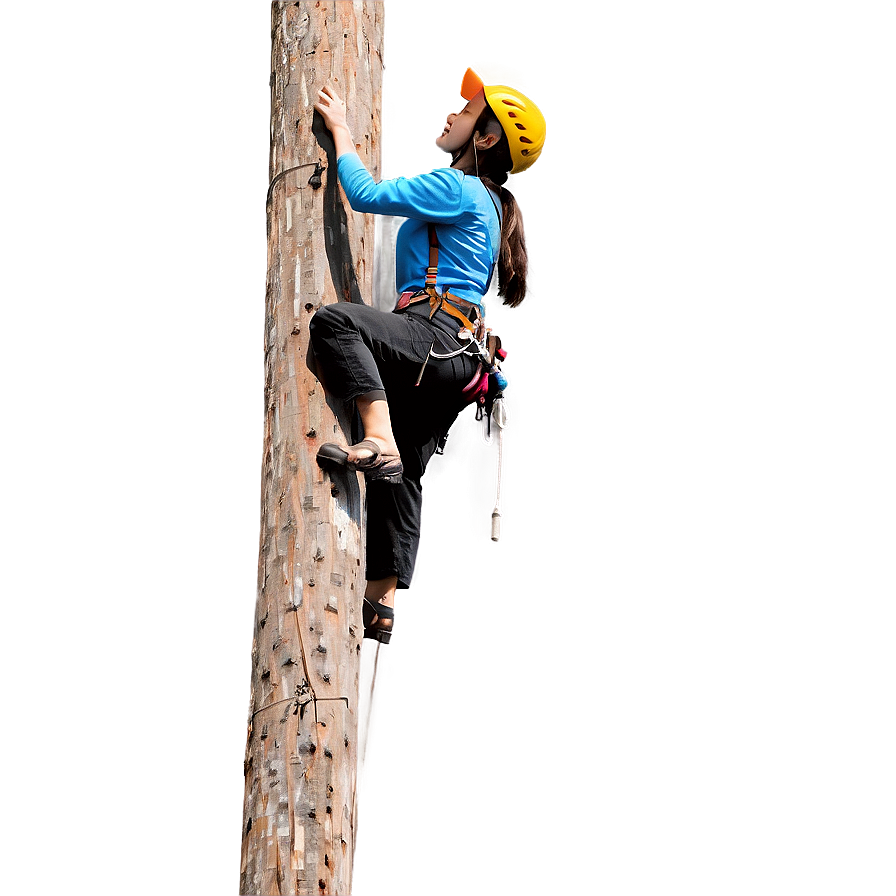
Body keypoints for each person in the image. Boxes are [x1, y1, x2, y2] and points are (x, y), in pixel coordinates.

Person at [309, 67, 546, 643]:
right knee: (406, 469)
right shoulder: (490, 206)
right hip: (460, 360)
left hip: (433, 334)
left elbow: (364, 195)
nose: (451, 116)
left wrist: (340, 130)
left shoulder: (458, 188)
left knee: (337, 323)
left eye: (465, 112)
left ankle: (376, 432)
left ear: (485, 138)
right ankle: (382, 601)